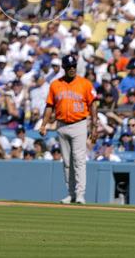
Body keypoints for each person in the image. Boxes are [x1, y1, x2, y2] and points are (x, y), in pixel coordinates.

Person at [39, 54, 97, 204]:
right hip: (62, 125)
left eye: (73, 66)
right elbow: (49, 105)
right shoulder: (55, 84)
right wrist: (44, 124)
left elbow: (93, 104)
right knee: (66, 162)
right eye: (69, 67)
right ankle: (71, 194)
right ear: (64, 68)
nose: (72, 69)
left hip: (79, 123)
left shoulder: (85, 83)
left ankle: (80, 194)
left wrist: (94, 126)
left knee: (79, 160)